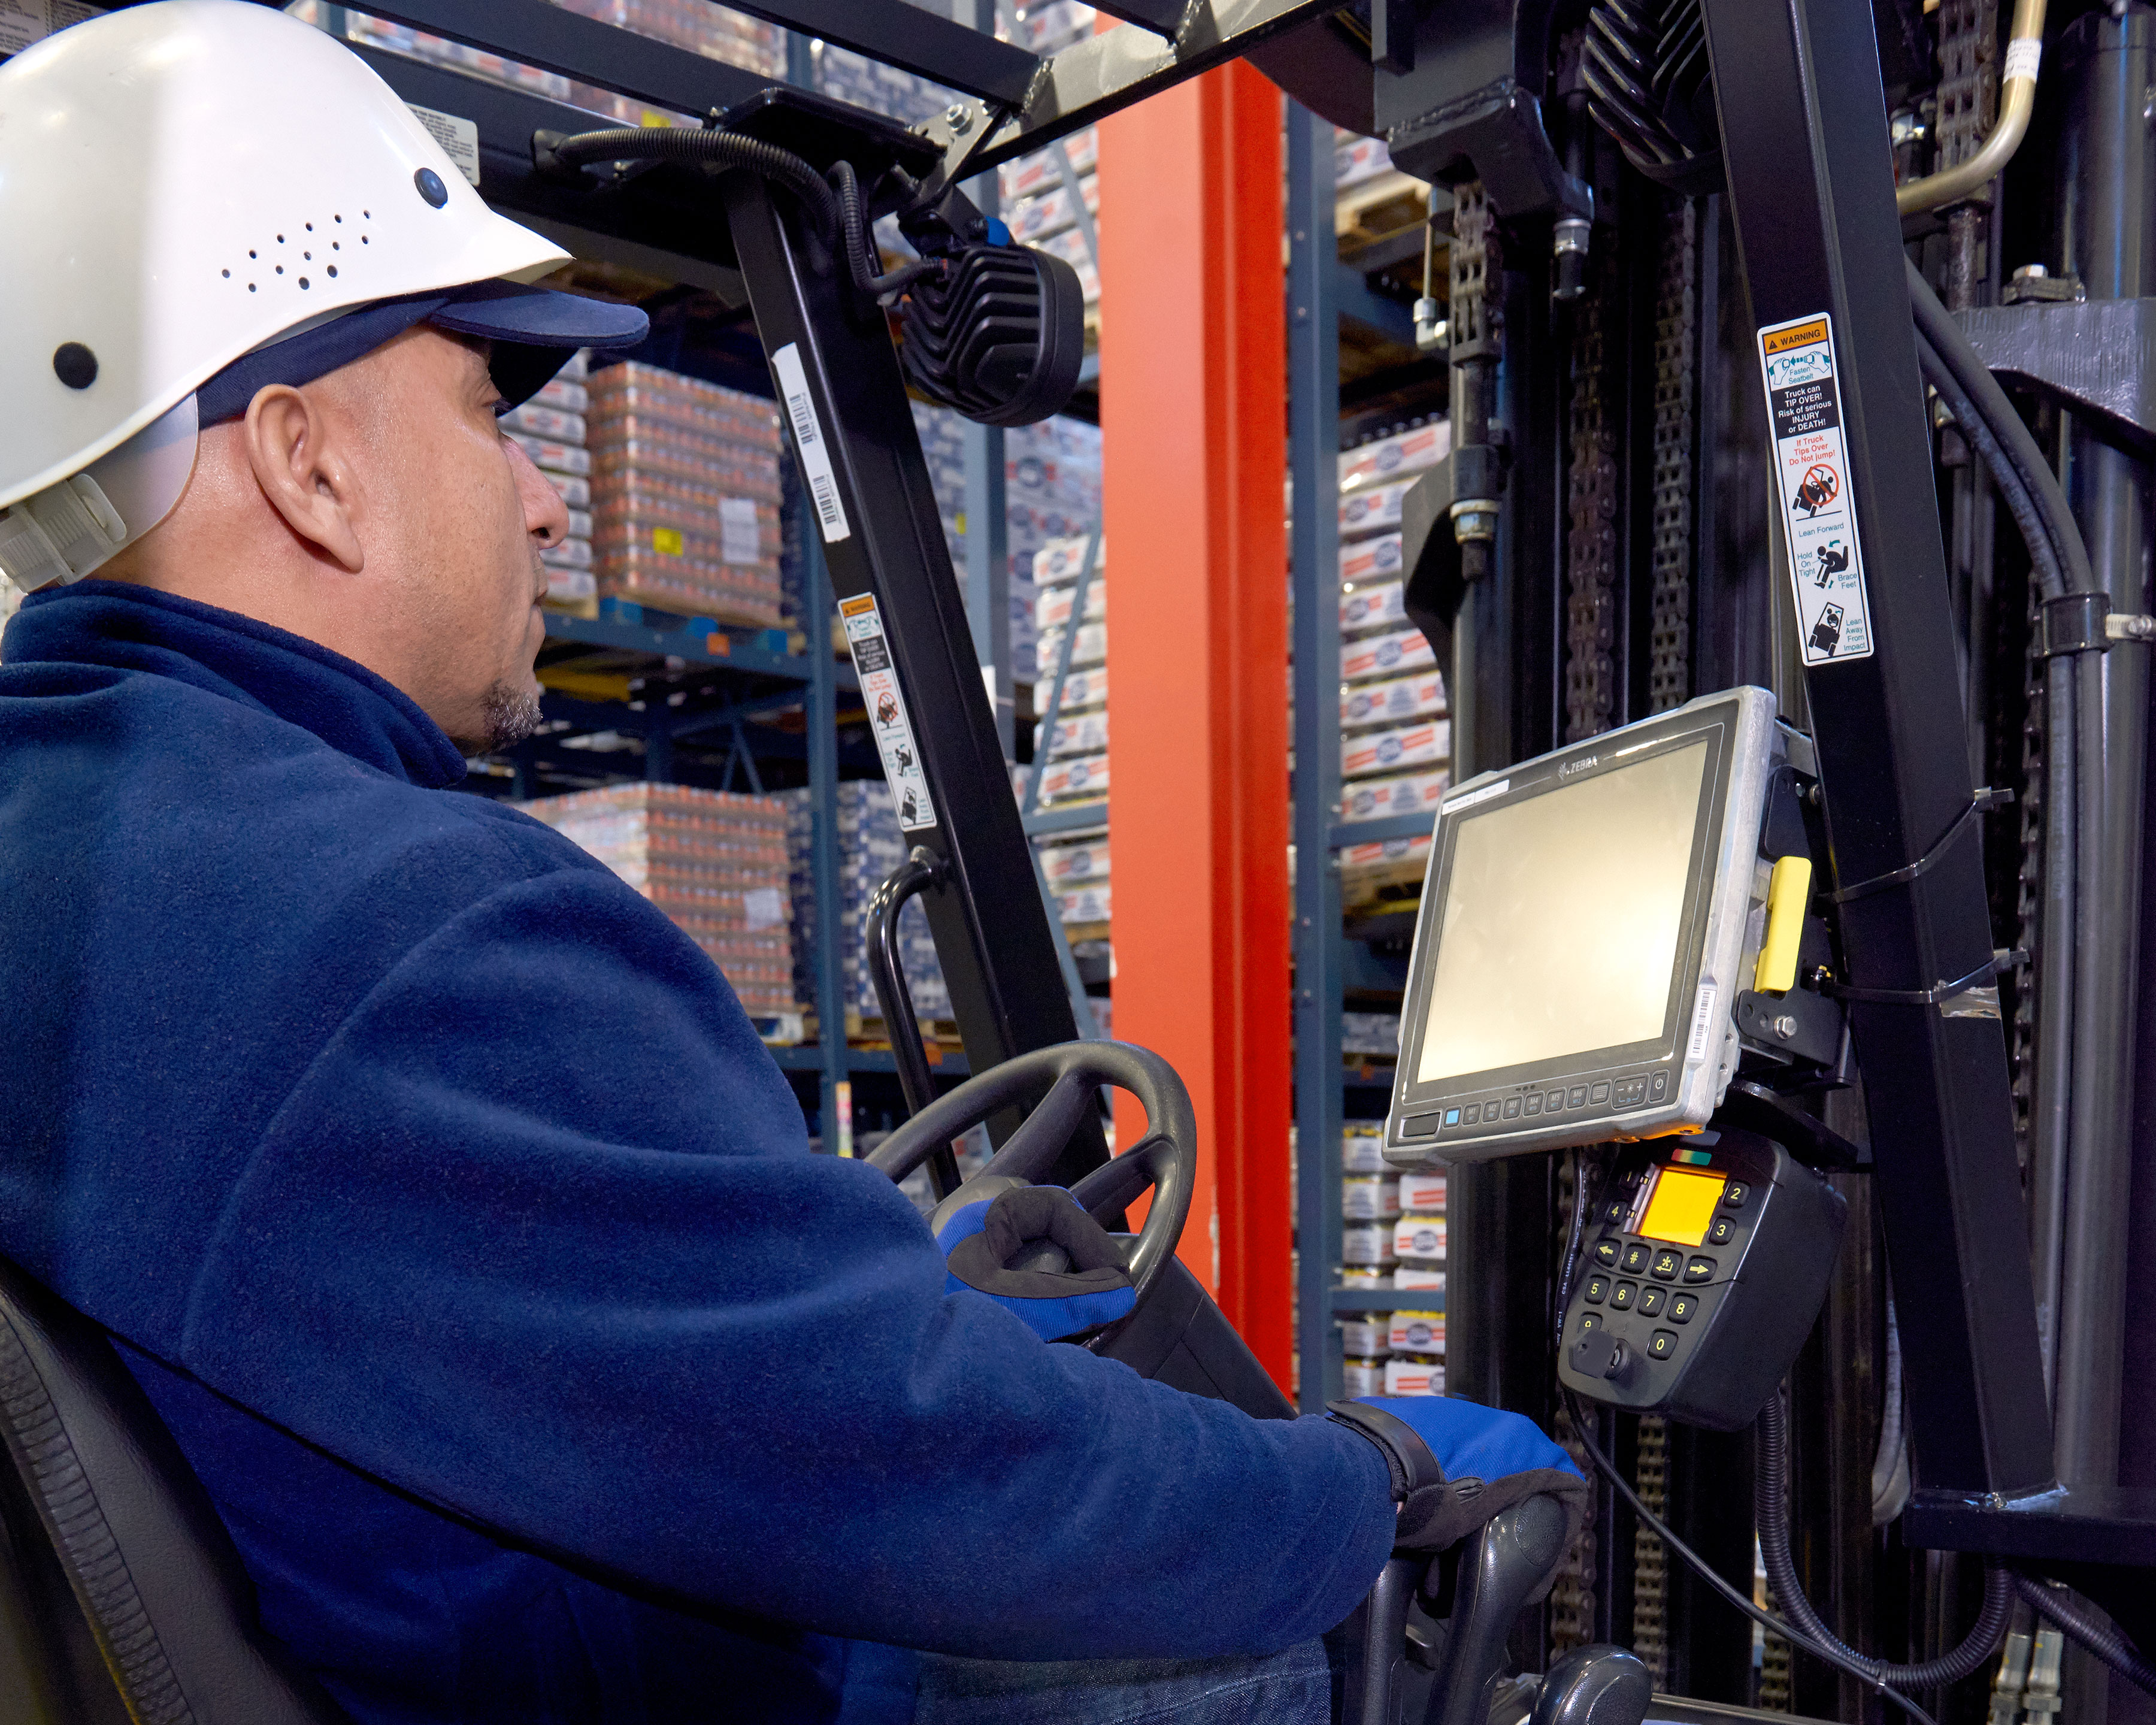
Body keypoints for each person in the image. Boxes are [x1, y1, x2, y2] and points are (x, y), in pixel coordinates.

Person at [0, 7, 1583, 1722]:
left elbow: (641, 1347)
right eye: (486, 408)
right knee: (1299, 1637)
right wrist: (1361, 1482)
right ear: (310, 466)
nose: (541, 503)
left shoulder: (80, 840)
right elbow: (939, 1474)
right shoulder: (404, 931)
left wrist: (876, 1310)